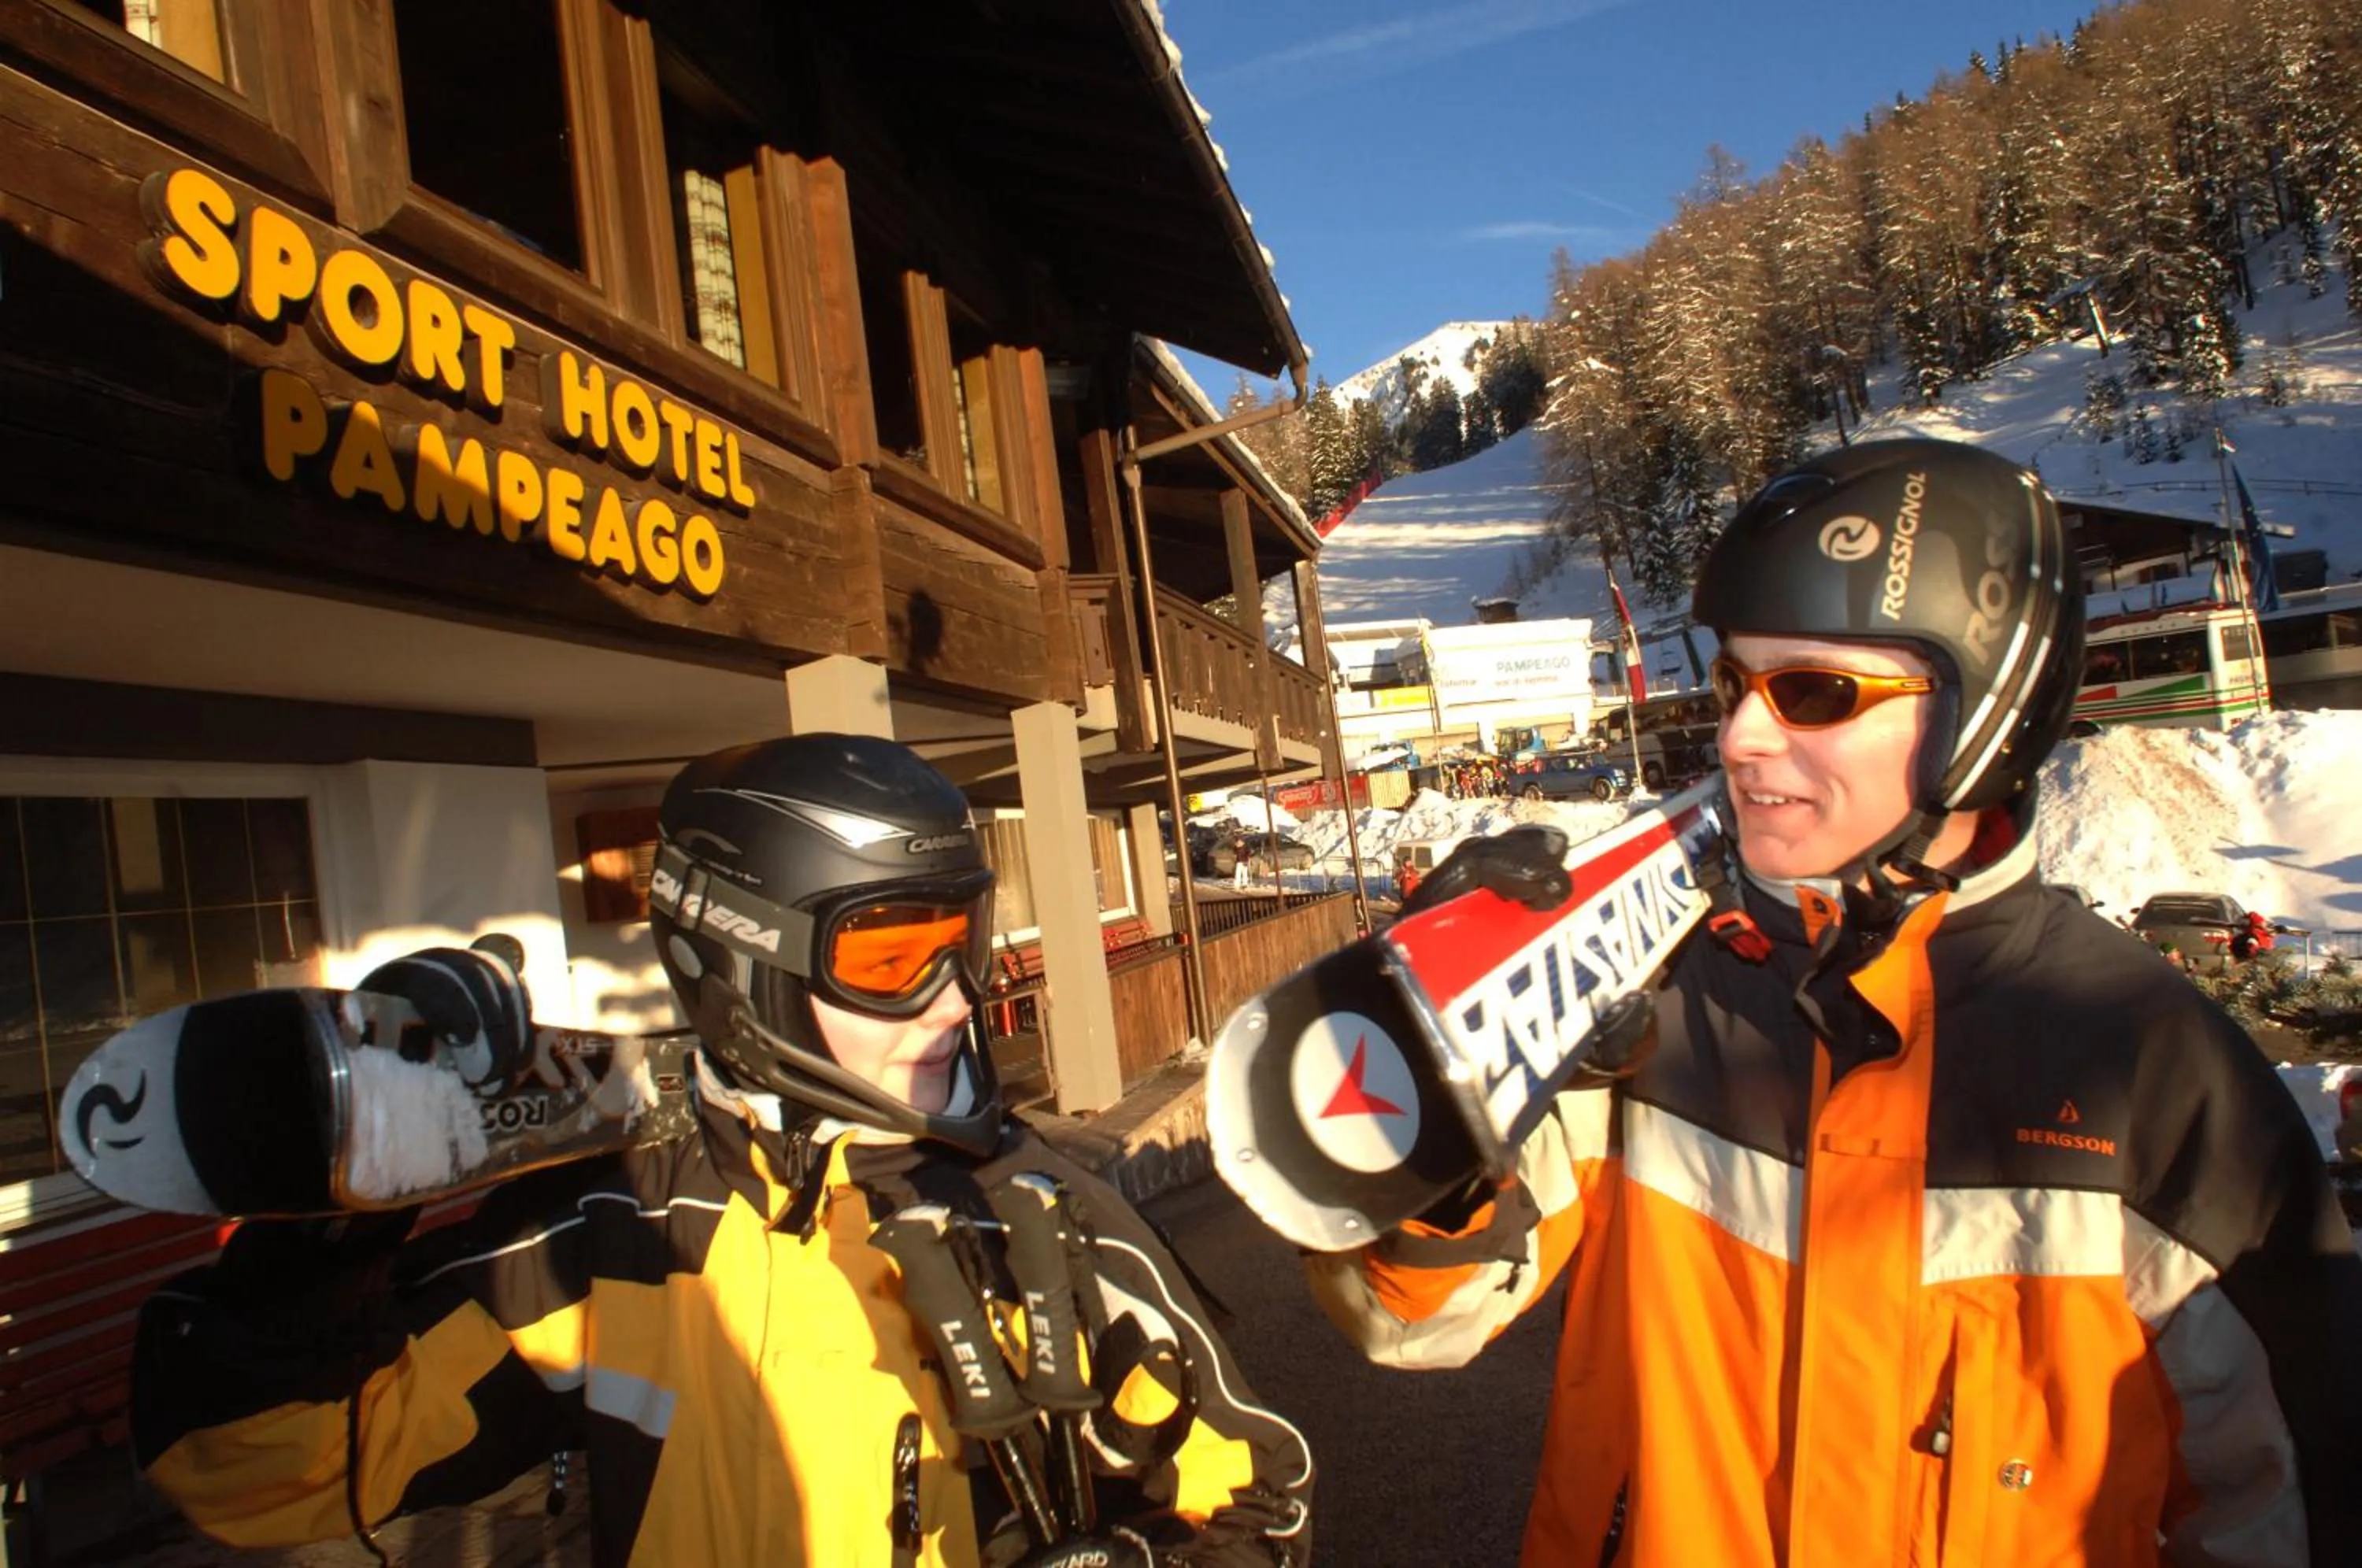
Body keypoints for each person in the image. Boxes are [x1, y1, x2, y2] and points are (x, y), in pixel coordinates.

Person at [1305, 439, 2361, 1566]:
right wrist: (1451, 1085)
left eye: (1814, 691)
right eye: (1733, 683)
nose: (1740, 736)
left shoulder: (2151, 1068)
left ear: (1986, 712)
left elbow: (2288, 1507)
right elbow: (1412, 1321)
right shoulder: (1650, 983)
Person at [133, 734, 1313, 1567]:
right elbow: (259, 1471)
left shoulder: (1037, 1214)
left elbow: (1261, 1498)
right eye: (897, 957)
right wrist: (350, 1201)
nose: (961, 1000)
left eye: (968, 941)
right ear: (748, 965)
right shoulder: (608, 1241)